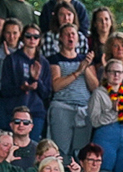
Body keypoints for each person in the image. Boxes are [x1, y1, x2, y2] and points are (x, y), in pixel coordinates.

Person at [47, 23, 96, 159]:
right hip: (62, 107)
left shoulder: (84, 60)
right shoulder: (55, 59)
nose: (70, 37)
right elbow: (56, 85)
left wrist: (85, 67)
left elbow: (95, 87)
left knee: (81, 151)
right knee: (61, 149)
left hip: (83, 109)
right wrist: (78, 71)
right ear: (61, 38)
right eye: (67, 34)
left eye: (73, 34)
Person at [0, 23, 50, 141]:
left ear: (40, 39)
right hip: (14, 111)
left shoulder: (44, 62)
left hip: (36, 112)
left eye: (36, 37)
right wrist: (22, 88)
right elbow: (5, 89)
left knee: (33, 148)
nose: (32, 39)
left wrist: (37, 81)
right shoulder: (12, 59)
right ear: (23, 37)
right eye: (28, 36)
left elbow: (47, 93)